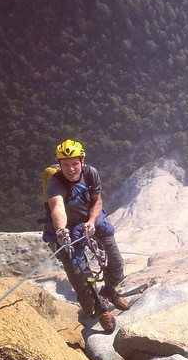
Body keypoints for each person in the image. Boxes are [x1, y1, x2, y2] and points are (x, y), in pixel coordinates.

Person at [46, 138, 129, 333]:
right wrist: (61, 231)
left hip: (91, 221)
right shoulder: (55, 183)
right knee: (82, 282)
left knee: (116, 263)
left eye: (75, 163)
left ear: (82, 162)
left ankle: (108, 290)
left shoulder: (90, 174)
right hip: (67, 231)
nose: (71, 169)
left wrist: (92, 222)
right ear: (59, 165)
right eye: (65, 164)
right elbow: (57, 208)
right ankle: (99, 308)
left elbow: (97, 201)